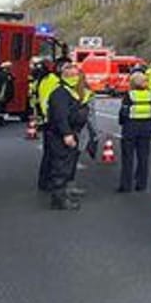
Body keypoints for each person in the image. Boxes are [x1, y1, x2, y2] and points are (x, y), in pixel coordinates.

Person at [45, 63, 90, 210]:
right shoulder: (61, 94)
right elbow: (60, 116)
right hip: (62, 135)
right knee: (61, 167)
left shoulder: (67, 92)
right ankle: (59, 200)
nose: (78, 78)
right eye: (76, 75)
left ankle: (62, 195)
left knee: (65, 165)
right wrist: (67, 134)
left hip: (69, 132)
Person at [117, 71, 151, 192]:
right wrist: (150, 121)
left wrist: (122, 123)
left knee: (127, 158)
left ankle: (126, 185)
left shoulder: (129, 95)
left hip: (130, 128)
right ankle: (141, 184)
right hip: (146, 128)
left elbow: (123, 112)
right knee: (143, 157)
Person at [35, 57, 71, 192]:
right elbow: (49, 103)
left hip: (48, 121)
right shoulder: (53, 81)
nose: (71, 70)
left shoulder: (48, 79)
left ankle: (45, 182)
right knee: (54, 157)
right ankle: (50, 184)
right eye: (67, 67)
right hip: (52, 123)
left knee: (49, 155)